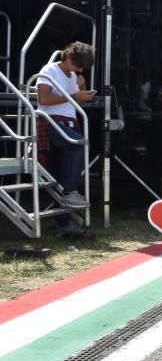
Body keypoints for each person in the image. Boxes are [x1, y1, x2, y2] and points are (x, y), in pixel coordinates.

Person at [35, 41, 96, 237]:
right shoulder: (50, 70)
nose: (80, 70)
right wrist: (75, 96)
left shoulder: (74, 76)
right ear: (68, 57)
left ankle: (64, 223)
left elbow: (77, 103)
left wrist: (82, 88)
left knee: (62, 172)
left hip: (68, 123)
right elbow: (43, 99)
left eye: (83, 67)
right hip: (51, 122)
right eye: (78, 65)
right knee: (77, 145)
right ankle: (70, 192)